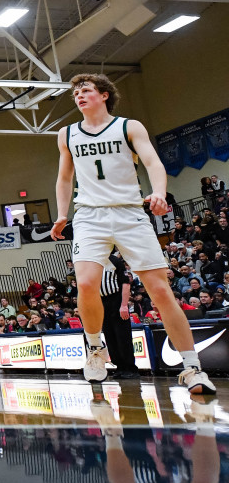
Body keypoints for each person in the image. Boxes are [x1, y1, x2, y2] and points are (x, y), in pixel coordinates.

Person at [51, 73, 214, 393]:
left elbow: (153, 162)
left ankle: (193, 368)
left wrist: (159, 192)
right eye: (75, 93)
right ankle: (96, 349)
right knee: (85, 283)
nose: (78, 96)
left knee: (161, 291)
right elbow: (64, 178)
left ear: (104, 95)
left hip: (129, 212)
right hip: (89, 215)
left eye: (85, 91)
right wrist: (60, 214)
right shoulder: (66, 134)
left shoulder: (129, 126)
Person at [100, 251, 138, 378]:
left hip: (116, 300)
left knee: (123, 336)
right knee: (110, 337)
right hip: (102, 303)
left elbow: (125, 283)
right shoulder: (91, 263)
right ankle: (120, 367)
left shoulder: (115, 261)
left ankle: (130, 368)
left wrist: (123, 305)